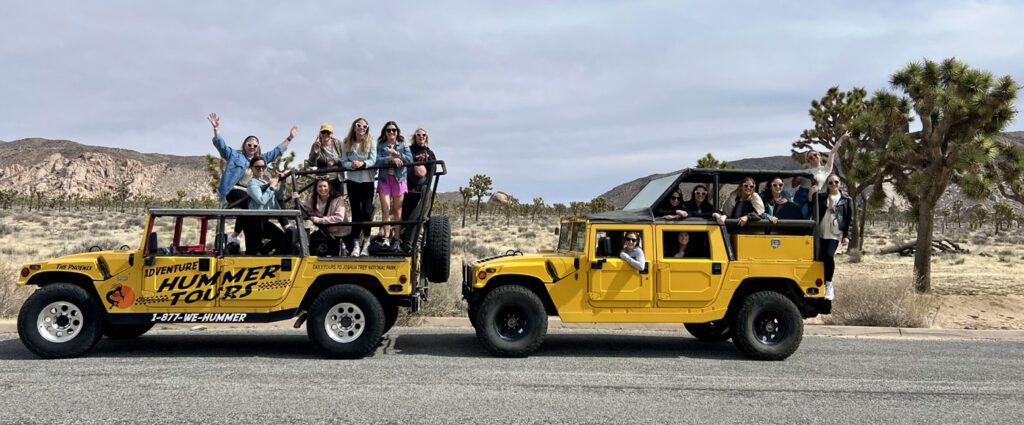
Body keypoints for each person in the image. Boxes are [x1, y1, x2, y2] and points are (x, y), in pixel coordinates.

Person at [208, 113, 295, 243]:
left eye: (255, 146)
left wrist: (289, 138)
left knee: (273, 197)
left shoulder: (260, 160)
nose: (252, 148)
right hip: (235, 190)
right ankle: (235, 234)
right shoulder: (235, 156)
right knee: (247, 202)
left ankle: (285, 226)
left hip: (253, 191)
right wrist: (216, 129)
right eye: (250, 145)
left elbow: (276, 152)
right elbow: (222, 146)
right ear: (244, 145)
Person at [341, 118, 377, 257]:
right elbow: (344, 161)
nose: (362, 128)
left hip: (367, 181)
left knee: (367, 212)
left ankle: (366, 243)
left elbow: (373, 160)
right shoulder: (346, 142)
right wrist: (352, 165)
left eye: (365, 126)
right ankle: (356, 244)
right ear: (354, 127)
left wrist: (362, 164)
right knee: (355, 213)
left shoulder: (370, 141)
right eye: (359, 125)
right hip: (352, 181)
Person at [815, 174, 853, 301]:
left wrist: (847, 236)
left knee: (829, 255)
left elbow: (849, 219)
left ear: (840, 183)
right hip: (821, 230)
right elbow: (812, 206)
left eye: (836, 182)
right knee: (820, 258)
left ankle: (829, 284)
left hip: (835, 233)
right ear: (827, 185)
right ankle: (821, 285)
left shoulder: (846, 199)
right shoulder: (821, 197)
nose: (834, 185)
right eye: (830, 183)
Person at [375, 121, 412, 246]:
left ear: (397, 132)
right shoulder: (381, 146)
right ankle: (386, 237)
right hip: (385, 179)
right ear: (385, 132)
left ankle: (396, 238)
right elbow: (376, 160)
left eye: (394, 130)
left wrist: (398, 154)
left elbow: (410, 159)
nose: (391, 132)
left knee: (397, 210)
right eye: (388, 130)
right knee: (385, 208)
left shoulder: (402, 145)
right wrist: (389, 159)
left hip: (399, 179)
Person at [793, 132, 848, 218]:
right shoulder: (805, 171)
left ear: (819, 156)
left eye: (815, 155)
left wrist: (841, 139)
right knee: (801, 217)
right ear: (808, 161)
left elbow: (832, 153)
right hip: (802, 195)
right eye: (810, 157)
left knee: (814, 219)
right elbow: (794, 185)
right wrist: (795, 175)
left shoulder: (825, 169)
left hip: (816, 196)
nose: (814, 157)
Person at [294, 177, 350, 256]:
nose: (322, 189)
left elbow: (339, 217)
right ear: (316, 188)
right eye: (320, 186)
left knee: (335, 254)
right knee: (312, 241)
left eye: (325, 186)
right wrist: (295, 201)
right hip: (326, 232)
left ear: (329, 187)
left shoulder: (338, 199)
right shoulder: (313, 200)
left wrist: (319, 220)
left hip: (340, 233)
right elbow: (303, 212)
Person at [244, 156, 285, 255]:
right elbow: (261, 200)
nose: (261, 169)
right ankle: (262, 253)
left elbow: (279, 196)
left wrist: (283, 182)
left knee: (280, 237)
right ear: (252, 168)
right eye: (257, 167)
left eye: (263, 166)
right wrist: (271, 187)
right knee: (253, 251)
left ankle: (264, 254)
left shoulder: (266, 182)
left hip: (263, 219)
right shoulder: (252, 183)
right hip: (254, 220)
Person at [307, 123, 345, 194]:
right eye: (323, 132)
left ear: (332, 134)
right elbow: (311, 163)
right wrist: (315, 151)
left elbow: (346, 158)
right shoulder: (315, 145)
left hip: (338, 179)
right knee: (323, 203)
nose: (325, 134)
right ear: (320, 133)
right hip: (322, 180)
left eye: (328, 132)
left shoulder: (338, 143)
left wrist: (335, 161)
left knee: (339, 200)